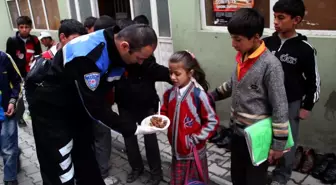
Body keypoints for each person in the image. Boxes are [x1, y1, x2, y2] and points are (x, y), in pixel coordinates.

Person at [27, 23, 160, 185]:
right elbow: (96, 108)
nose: (140, 63)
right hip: (51, 108)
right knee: (61, 164)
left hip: (77, 104)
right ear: (125, 47)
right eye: (139, 58)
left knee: (85, 158)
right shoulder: (88, 56)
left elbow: (143, 69)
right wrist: (134, 128)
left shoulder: (116, 43)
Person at [211, 8, 289, 185]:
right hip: (237, 133)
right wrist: (210, 96)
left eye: (237, 39)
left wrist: (278, 146)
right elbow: (233, 85)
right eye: (232, 38)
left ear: (255, 37)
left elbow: (280, 106)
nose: (233, 44)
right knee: (237, 176)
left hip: (257, 138)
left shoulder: (271, 65)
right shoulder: (241, 57)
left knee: (254, 180)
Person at [263, 0, 321, 184]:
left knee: (286, 142)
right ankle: (261, 169)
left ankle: (281, 176)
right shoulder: (266, 43)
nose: (276, 21)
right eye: (274, 17)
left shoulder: (305, 49)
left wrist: (307, 106)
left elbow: (314, 81)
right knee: (263, 138)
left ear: (296, 19)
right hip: (265, 102)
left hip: (291, 104)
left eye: (281, 17)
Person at [114, 18, 168, 184]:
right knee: (129, 139)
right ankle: (136, 168)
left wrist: (181, 75)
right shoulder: (116, 60)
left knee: (150, 141)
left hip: (146, 106)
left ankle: (156, 173)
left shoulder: (146, 60)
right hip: (125, 106)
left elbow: (161, 72)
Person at [160, 50, 219, 185]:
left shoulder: (199, 96)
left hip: (193, 153)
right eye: (170, 73)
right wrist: (162, 120)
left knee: (193, 182)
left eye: (177, 74)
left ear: (190, 73)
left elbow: (212, 121)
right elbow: (164, 110)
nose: (173, 77)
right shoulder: (169, 94)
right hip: (177, 151)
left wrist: (194, 139)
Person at [91, 15, 117, 181]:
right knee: (102, 134)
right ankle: (102, 170)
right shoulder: (105, 51)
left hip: (91, 102)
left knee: (94, 135)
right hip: (99, 102)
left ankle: (96, 166)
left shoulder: (90, 47)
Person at [6, 16, 42, 127]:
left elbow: (39, 55)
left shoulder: (35, 40)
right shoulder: (12, 41)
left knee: (34, 93)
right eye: (21, 27)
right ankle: (19, 116)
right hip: (18, 73)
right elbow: (9, 59)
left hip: (31, 72)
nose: (24, 29)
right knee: (20, 96)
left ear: (30, 28)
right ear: (18, 28)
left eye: (27, 27)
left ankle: (35, 113)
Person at [0, 51, 22, 185]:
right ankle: (16, 153)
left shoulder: (4, 58)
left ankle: (10, 179)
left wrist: (12, 101)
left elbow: (17, 81)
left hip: (5, 109)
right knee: (5, 147)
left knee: (7, 149)